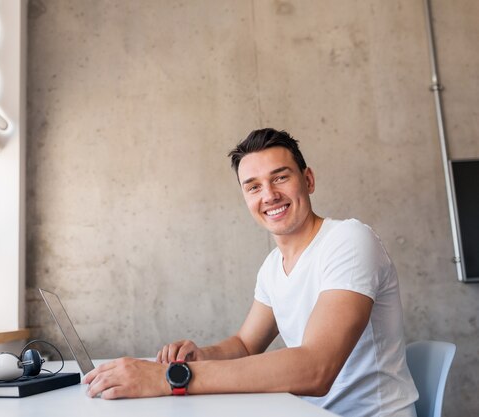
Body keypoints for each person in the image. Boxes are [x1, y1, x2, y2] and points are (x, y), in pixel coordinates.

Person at [84, 128, 418, 417]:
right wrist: (198, 357)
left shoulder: (348, 240)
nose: (269, 195)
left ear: (309, 180)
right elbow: (245, 344)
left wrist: (171, 378)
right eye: (253, 186)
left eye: (281, 177)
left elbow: (317, 368)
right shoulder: (273, 266)